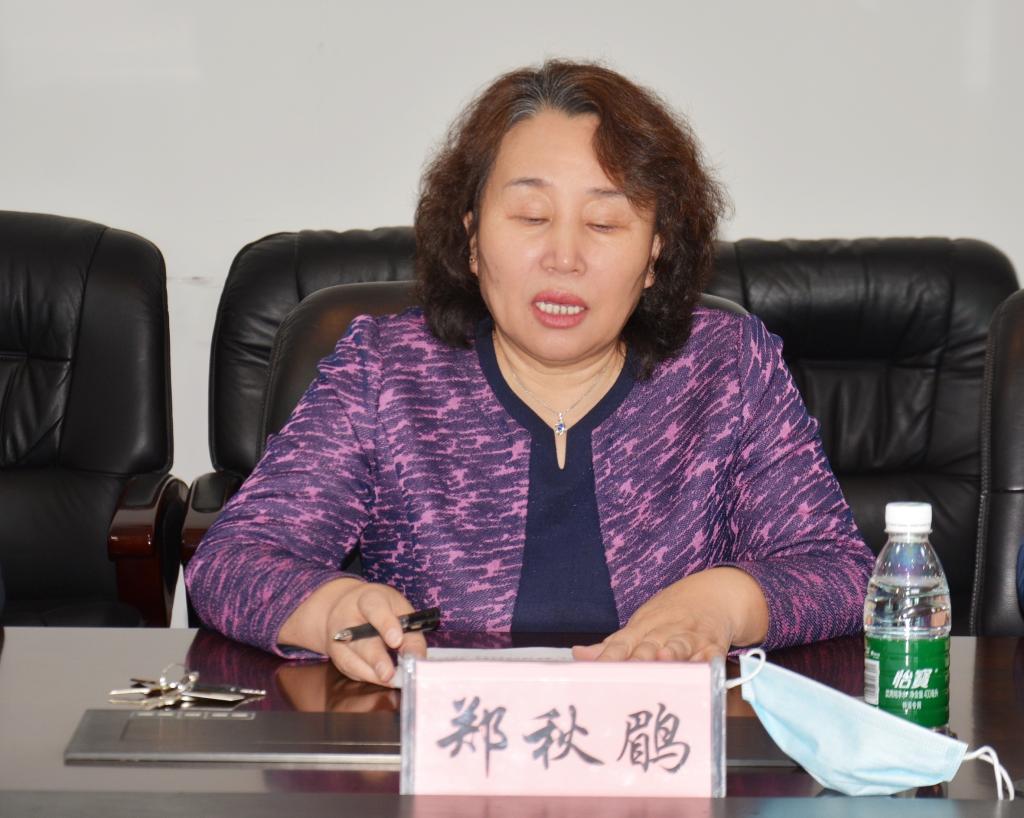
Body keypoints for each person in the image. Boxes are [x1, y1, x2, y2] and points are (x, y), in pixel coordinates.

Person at [186, 60, 874, 686]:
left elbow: (841, 573)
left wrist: (722, 602)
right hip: (448, 750)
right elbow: (232, 561)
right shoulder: (386, 371)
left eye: (604, 223)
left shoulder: (727, 367)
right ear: (472, 239)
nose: (564, 257)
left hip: (662, 752)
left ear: (655, 254)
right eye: (531, 215)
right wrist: (334, 604)